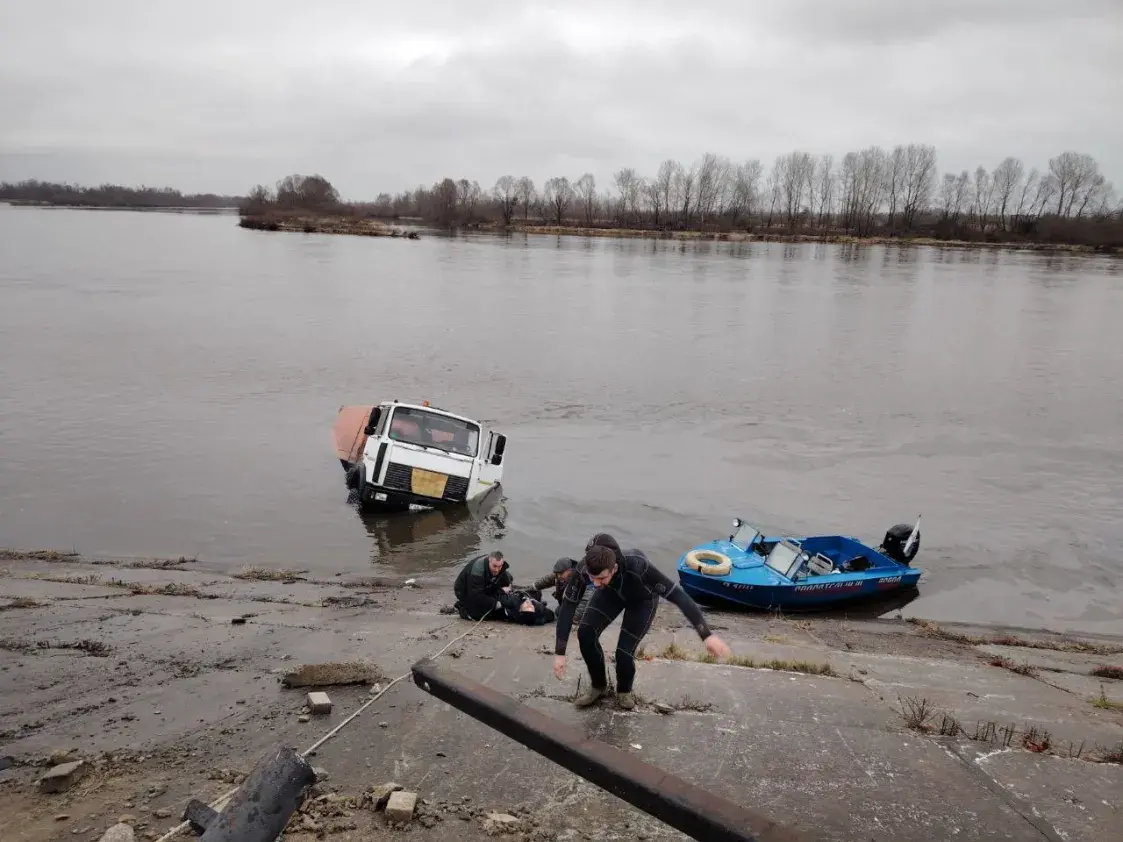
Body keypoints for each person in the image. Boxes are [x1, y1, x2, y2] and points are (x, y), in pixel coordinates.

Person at [552, 533, 732, 710]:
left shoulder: (638, 565)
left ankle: (624, 692)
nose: (596, 584)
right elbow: (569, 606)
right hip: (611, 595)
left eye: (601, 578)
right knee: (585, 633)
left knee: (623, 653)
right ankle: (599, 687)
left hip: (642, 601)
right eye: (593, 579)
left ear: (613, 568)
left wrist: (706, 635)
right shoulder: (585, 569)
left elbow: (678, 596)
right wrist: (560, 653)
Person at [453, 550, 555, 625]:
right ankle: (465, 608)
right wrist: (496, 604)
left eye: (499, 566)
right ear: (489, 561)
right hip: (465, 592)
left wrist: (507, 586)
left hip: (491, 592)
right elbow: (475, 595)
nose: (497, 569)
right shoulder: (477, 572)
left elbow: (507, 577)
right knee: (482, 611)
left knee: (532, 595)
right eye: (494, 566)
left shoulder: (499, 567)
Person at [531, 557, 592, 625]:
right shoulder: (558, 576)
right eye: (557, 573)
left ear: (570, 570)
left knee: (559, 612)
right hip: (569, 606)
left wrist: (575, 617)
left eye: (561, 573)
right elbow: (544, 581)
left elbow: (586, 600)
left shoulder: (582, 578)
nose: (559, 576)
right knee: (558, 611)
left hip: (584, 610)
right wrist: (531, 588)